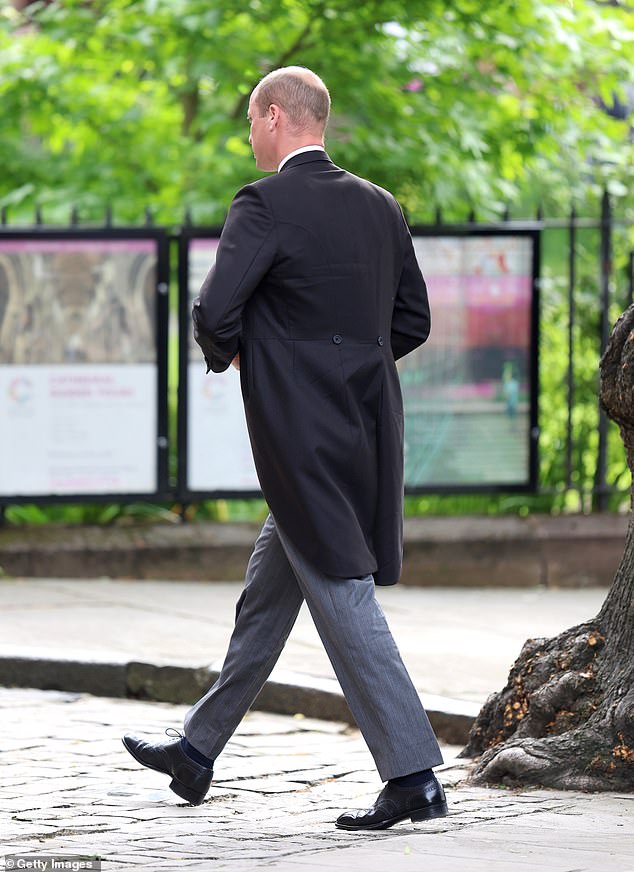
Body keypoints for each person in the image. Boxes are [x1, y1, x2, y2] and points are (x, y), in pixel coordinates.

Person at [123, 66, 447, 832]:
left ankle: (413, 776)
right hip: (366, 420)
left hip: (298, 429)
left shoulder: (262, 202)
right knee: (272, 585)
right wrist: (345, 362)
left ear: (274, 117)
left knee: (340, 586)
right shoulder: (380, 206)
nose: (247, 136)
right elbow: (413, 321)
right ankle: (198, 749)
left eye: (249, 121)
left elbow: (214, 308)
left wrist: (248, 354)